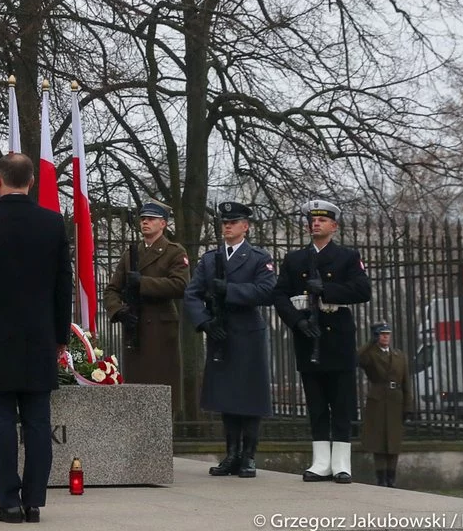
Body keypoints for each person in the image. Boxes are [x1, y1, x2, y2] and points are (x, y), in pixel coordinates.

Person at [0, 153, 72, 524]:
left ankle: (8, 502)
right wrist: (61, 334)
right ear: (32, 181)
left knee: (1, 420)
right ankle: (33, 501)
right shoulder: (52, 223)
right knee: (38, 421)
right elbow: (62, 286)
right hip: (39, 337)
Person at [272, 199, 371, 484]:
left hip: (337, 337)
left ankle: (341, 463)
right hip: (308, 336)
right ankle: (320, 462)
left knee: (340, 403)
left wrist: (327, 289)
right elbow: (279, 295)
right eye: (313, 220)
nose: (316, 223)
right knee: (315, 403)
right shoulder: (294, 260)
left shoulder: (348, 257)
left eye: (322, 220)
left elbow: (363, 290)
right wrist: (297, 321)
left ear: (334, 226)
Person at [184, 201, 276, 478]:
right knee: (227, 398)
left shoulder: (258, 258)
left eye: (233, 222)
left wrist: (231, 290)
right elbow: (192, 294)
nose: (227, 226)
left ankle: (248, 456)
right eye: (224, 222)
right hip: (220, 333)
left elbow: (267, 290)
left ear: (245, 227)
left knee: (248, 398)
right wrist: (205, 322)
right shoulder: (211, 259)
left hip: (247, 333)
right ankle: (231, 454)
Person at [102, 200, 189, 406]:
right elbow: (111, 290)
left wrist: (143, 283)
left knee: (162, 392)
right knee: (136, 393)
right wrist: (118, 311)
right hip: (135, 326)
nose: (145, 223)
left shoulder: (174, 252)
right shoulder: (130, 254)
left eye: (151, 219)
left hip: (160, 328)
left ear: (163, 224)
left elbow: (180, 285)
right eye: (143, 219)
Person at [358, 321, 411, 487]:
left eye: (387, 334)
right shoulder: (371, 354)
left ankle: (391, 477)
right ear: (376, 336)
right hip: (378, 400)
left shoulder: (399, 355)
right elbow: (358, 358)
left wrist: (408, 406)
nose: (385, 337)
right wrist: (369, 342)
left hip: (396, 400)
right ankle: (381, 477)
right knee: (379, 440)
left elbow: (406, 382)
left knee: (393, 441)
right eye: (382, 334)